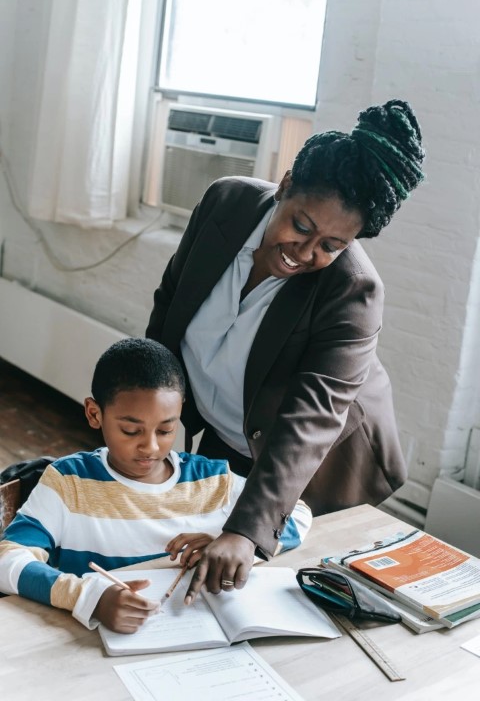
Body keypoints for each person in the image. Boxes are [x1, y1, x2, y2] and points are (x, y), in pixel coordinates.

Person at [145, 99, 426, 603]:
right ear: (286, 184)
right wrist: (146, 419)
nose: (305, 252)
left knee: (278, 604)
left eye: (332, 245)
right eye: (301, 226)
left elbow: (312, 418)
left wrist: (248, 531)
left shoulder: (353, 290)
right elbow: (170, 308)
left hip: (310, 469)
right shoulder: (223, 204)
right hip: (228, 432)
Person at [0, 338, 311, 633]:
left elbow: (296, 513)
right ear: (95, 414)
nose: (149, 447)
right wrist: (88, 597)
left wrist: (233, 543)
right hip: (96, 645)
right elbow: (7, 559)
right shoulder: (69, 482)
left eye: (166, 429)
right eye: (131, 430)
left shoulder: (212, 479)